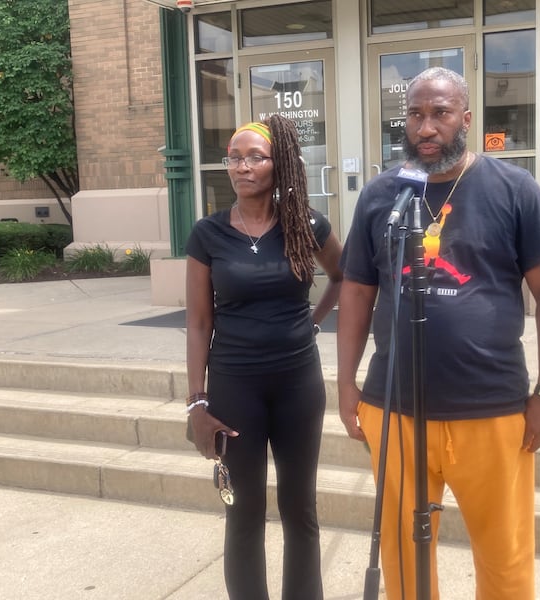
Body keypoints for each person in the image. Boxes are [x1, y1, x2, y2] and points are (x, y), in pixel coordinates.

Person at [337, 67, 540, 599]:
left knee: (504, 554)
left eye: (439, 114)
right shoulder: (381, 196)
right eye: (415, 115)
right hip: (394, 406)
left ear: (465, 119)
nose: (426, 127)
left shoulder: (514, 188)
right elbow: (355, 292)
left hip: (491, 408)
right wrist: (347, 382)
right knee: (402, 552)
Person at [184, 115, 342, 600]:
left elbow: (344, 276)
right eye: (234, 157)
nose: (242, 166)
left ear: (281, 165)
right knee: (244, 511)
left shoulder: (307, 226)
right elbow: (198, 323)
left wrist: (313, 322)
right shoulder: (207, 235)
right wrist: (197, 403)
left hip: (298, 384)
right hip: (235, 388)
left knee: (300, 509)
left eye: (255, 156)